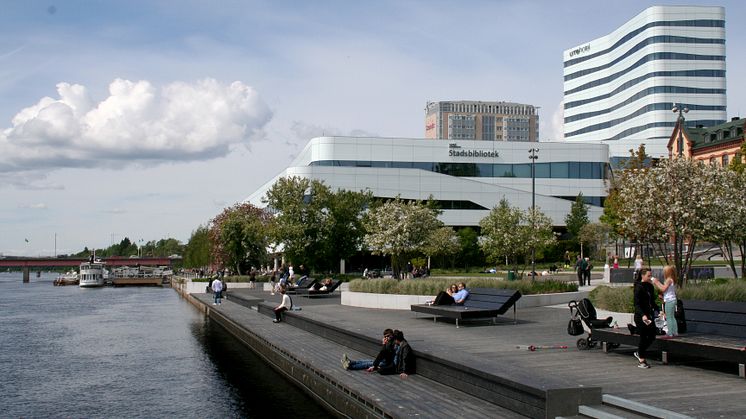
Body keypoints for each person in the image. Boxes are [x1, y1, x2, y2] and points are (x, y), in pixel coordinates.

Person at [633, 268, 657, 368]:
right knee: (643, 336)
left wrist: (658, 309)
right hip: (640, 316)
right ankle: (642, 360)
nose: (650, 277)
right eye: (648, 275)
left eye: (650, 275)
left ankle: (639, 352)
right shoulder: (638, 287)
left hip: (649, 315)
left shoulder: (650, 286)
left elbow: (652, 301)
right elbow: (637, 304)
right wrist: (643, 315)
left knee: (652, 335)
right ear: (642, 276)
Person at [653, 265, 678, 338]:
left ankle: (670, 333)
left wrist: (656, 282)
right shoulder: (672, 279)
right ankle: (675, 331)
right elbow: (667, 290)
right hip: (672, 299)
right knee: (672, 317)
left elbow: (663, 289)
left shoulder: (668, 280)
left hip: (669, 301)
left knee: (668, 317)